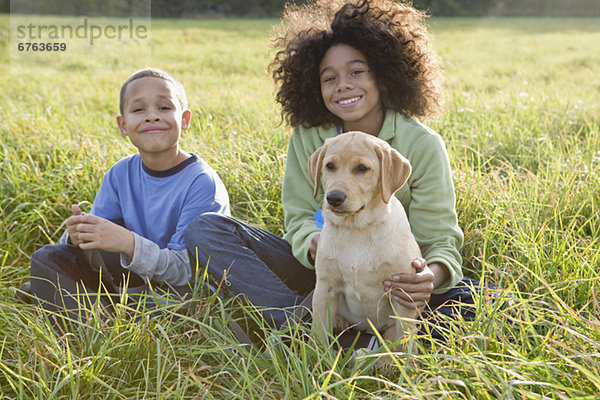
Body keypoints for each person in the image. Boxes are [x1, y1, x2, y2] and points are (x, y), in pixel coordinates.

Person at [185, 0, 487, 340]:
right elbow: (298, 214)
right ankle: (304, 321)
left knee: (488, 302)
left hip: (393, 282)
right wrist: (312, 243)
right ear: (315, 86)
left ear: (385, 73)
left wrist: (427, 278)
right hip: (325, 271)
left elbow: (441, 239)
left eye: (357, 72)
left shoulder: (422, 144)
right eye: (329, 78)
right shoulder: (309, 137)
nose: (343, 85)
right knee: (206, 230)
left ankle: (339, 335)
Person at [22, 68, 230, 330]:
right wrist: (79, 236)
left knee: (179, 307)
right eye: (138, 110)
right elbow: (100, 240)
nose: (152, 116)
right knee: (48, 257)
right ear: (123, 125)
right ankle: (94, 315)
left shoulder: (202, 182)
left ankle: (97, 322)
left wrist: (129, 243)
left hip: (182, 294)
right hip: (131, 280)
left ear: (185, 119)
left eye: (164, 107)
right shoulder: (120, 173)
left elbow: (186, 272)